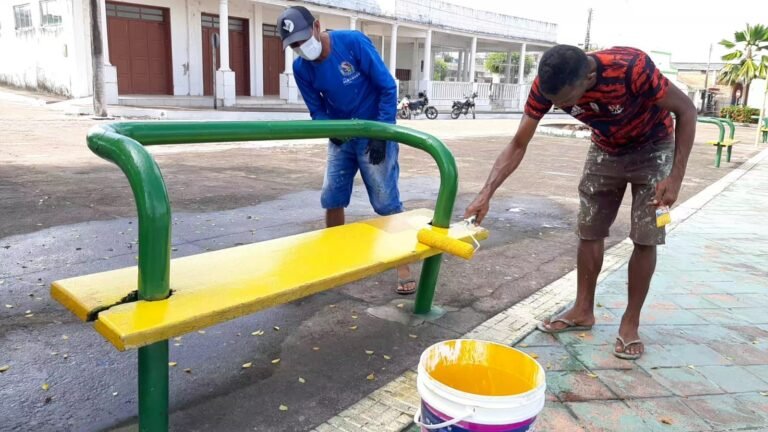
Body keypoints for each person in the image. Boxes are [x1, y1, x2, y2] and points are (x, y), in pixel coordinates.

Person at [464, 45, 697, 359]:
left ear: (589, 76)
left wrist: (676, 177)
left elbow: (686, 110)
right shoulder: (546, 86)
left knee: (646, 237)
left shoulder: (632, 68)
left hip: (653, 147)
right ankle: (582, 310)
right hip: (605, 150)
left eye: (564, 101)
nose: (559, 106)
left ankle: (630, 322)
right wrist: (486, 193)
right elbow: (519, 142)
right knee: (589, 230)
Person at [277, 6, 416, 295]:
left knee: (385, 201)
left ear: (316, 27)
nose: (302, 48)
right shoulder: (302, 68)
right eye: (294, 46)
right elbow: (316, 110)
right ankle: (334, 259)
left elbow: (387, 87)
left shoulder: (352, 42)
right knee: (332, 197)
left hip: (374, 130)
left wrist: (382, 132)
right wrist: (334, 132)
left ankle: (403, 263)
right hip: (341, 137)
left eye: (303, 39)